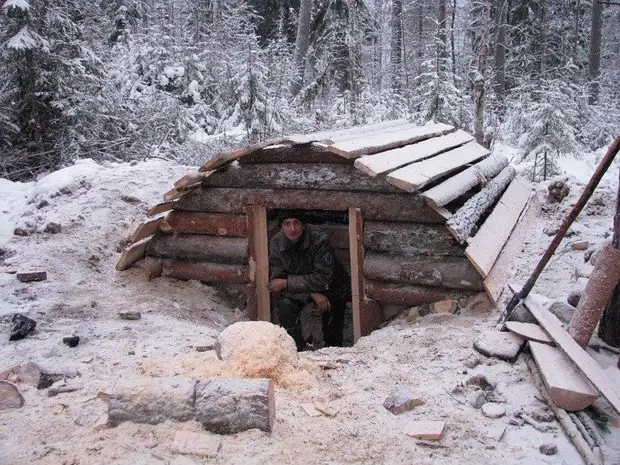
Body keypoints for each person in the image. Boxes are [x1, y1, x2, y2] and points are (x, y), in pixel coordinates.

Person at [267, 210, 351, 350]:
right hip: (302, 289)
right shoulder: (276, 244)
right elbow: (277, 283)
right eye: (287, 224)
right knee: (285, 305)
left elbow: (323, 278)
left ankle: (333, 349)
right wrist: (311, 294)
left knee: (332, 307)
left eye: (296, 223)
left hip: (330, 286)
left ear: (304, 225)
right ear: (281, 228)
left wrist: (287, 282)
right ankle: (296, 349)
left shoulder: (319, 240)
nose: (292, 229)